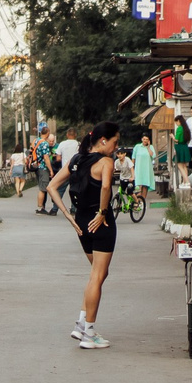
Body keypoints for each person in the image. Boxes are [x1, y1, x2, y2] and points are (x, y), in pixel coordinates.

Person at [63, 122, 123, 349]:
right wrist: (103, 211)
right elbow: (106, 187)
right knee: (97, 276)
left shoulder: (78, 160)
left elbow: (52, 187)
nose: (117, 147)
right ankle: (89, 332)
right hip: (101, 223)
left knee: (97, 274)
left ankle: (81, 324)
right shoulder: (105, 161)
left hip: (81, 222)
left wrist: (69, 216)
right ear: (103, 140)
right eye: (115, 142)